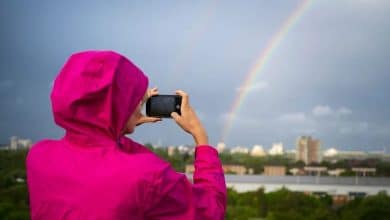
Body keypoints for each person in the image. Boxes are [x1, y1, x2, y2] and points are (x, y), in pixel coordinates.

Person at [26, 51, 226, 219]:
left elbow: (95, 163)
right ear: (118, 105)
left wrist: (118, 125)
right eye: (134, 99)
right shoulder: (147, 175)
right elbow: (211, 211)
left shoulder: (39, 156)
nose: (139, 104)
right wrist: (201, 138)